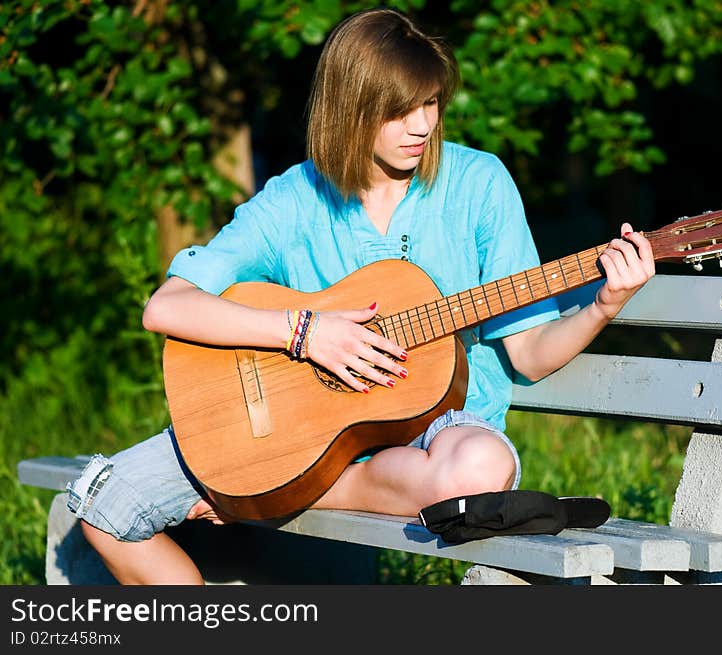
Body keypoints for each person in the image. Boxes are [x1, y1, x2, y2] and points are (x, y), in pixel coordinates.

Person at [65, 7, 655, 585]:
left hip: (431, 435)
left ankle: (279, 491)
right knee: (106, 508)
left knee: (481, 468)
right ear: (350, 109)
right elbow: (166, 306)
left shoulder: (479, 185)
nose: (422, 125)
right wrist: (303, 333)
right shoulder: (296, 197)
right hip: (292, 427)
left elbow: (526, 354)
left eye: (430, 103)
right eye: (400, 111)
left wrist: (604, 303)